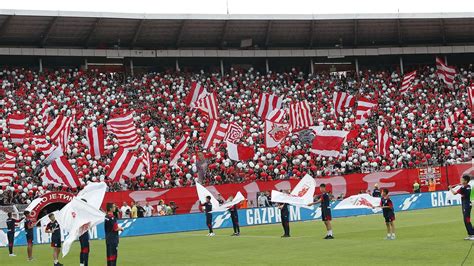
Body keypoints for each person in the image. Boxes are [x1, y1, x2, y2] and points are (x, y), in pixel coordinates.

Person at [449, 175, 474, 240]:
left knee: (467, 220)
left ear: (465, 181)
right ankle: (470, 234)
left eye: (462, 180)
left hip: (466, 205)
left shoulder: (463, 188)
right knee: (466, 220)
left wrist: (451, 188)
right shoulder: (468, 186)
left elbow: (454, 193)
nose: (461, 181)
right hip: (466, 205)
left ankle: (472, 234)